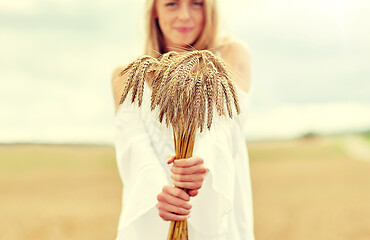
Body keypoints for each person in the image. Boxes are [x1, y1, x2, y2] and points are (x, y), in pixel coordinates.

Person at [111, 0, 254, 239]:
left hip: (217, 222)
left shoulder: (230, 55)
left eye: (197, 3)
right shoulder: (126, 76)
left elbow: (225, 125)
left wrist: (202, 162)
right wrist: (160, 192)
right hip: (153, 220)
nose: (185, 15)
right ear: (155, 9)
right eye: (172, 4)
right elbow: (133, 148)